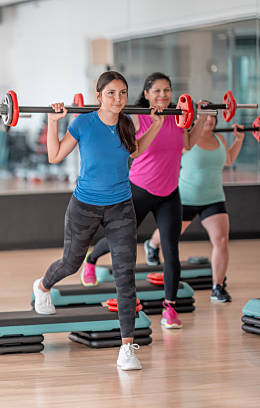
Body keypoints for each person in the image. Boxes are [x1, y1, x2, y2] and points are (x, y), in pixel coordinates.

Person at [32, 71, 165, 370]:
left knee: (124, 276)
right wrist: (54, 122)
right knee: (71, 263)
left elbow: (136, 150)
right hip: (85, 207)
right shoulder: (84, 123)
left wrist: (156, 125)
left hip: (121, 208)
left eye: (122, 93)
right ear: (98, 96)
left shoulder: (126, 124)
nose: (118, 99)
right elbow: (54, 156)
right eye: (111, 93)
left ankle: (127, 347)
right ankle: (43, 286)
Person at [83, 72, 208, 329]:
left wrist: (203, 117)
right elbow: (130, 147)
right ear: (147, 94)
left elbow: (187, 143)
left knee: (171, 251)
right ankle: (92, 259)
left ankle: (169, 308)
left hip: (169, 194)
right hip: (139, 190)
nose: (163, 95)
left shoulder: (176, 117)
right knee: (122, 238)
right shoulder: (137, 117)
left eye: (167, 90)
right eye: (158, 91)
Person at [145, 111, 245, 303]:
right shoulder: (186, 138)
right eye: (204, 115)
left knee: (221, 241)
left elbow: (229, 160)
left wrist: (239, 139)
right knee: (169, 235)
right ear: (196, 118)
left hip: (214, 198)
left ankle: (217, 287)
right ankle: (152, 244)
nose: (209, 119)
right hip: (185, 198)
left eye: (212, 116)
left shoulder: (220, 138)